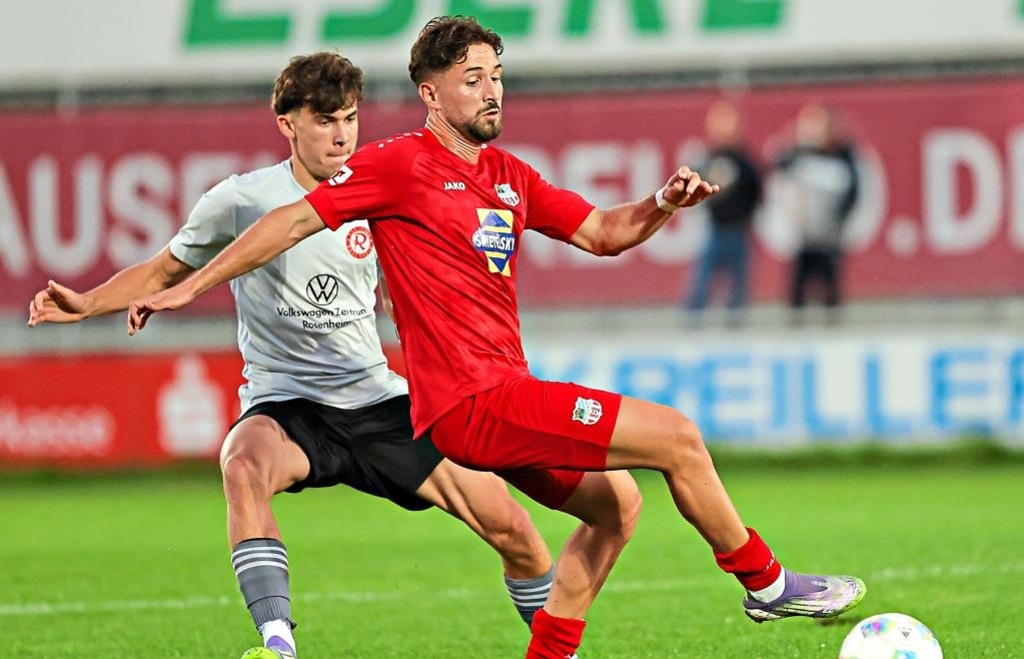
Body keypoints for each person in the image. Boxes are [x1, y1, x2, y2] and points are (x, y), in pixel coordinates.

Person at [124, 18, 866, 659]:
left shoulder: (509, 175)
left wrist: (663, 204)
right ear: (431, 94)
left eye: (497, 76)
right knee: (677, 436)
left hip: (499, 399)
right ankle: (767, 584)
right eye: (472, 77)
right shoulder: (396, 164)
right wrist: (188, 285)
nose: (492, 90)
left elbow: (603, 233)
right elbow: (288, 221)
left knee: (618, 509)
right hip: (472, 402)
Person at [27, 52, 563, 659]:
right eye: (325, 121)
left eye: (351, 119)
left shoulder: (382, 183)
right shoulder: (240, 200)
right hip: (287, 405)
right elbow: (164, 267)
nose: (341, 136)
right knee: (242, 465)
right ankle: (278, 645)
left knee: (515, 532)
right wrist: (86, 304)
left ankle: (557, 650)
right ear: (288, 124)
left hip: (376, 398)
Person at [776, 103, 860, 324]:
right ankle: (795, 330)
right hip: (804, 235)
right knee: (798, 288)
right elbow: (778, 171)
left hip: (829, 236)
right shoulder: (797, 155)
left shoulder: (842, 155)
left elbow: (853, 191)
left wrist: (839, 220)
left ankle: (832, 329)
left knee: (830, 287)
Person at [685, 100, 762, 327]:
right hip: (715, 231)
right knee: (700, 286)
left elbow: (756, 191)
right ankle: (692, 327)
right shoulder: (708, 157)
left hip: (738, 232)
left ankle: (735, 329)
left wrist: (744, 214)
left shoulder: (744, 161)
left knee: (738, 289)